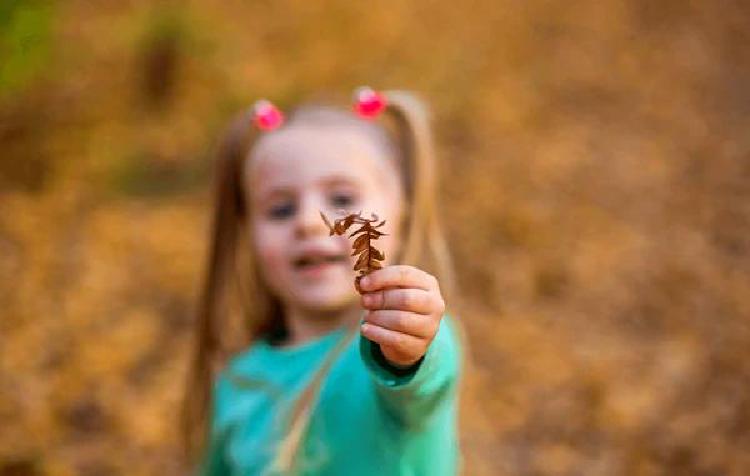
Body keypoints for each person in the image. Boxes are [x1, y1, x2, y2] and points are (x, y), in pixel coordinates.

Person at [181, 86, 466, 475]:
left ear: (403, 213)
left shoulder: (399, 352)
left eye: (343, 200)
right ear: (248, 230)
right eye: (281, 209)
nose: (308, 221)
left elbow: (425, 376)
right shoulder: (238, 380)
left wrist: (411, 342)